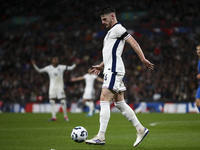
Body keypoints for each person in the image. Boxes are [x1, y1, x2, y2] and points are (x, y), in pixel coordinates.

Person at [85, 6, 154, 147]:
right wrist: (101, 65)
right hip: (111, 68)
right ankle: (140, 129)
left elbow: (133, 42)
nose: (103, 22)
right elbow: (112, 53)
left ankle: (101, 136)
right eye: (101, 20)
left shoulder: (118, 29)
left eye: (104, 19)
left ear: (112, 16)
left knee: (104, 98)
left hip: (114, 70)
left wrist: (143, 59)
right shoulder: (111, 31)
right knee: (119, 103)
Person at [31, 57, 80, 121]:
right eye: (54, 60)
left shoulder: (61, 67)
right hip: (52, 87)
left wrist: (75, 64)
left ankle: (65, 117)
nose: (55, 60)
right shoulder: (48, 68)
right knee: (51, 101)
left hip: (60, 87)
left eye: (56, 59)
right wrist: (34, 65)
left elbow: (70, 68)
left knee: (63, 101)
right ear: (52, 61)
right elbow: (39, 71)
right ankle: (54, 117)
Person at [195, 44, 200, 113]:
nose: (198, 51)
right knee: (197, 103)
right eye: (197, 49)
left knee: (198, 103)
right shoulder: (199, 61)